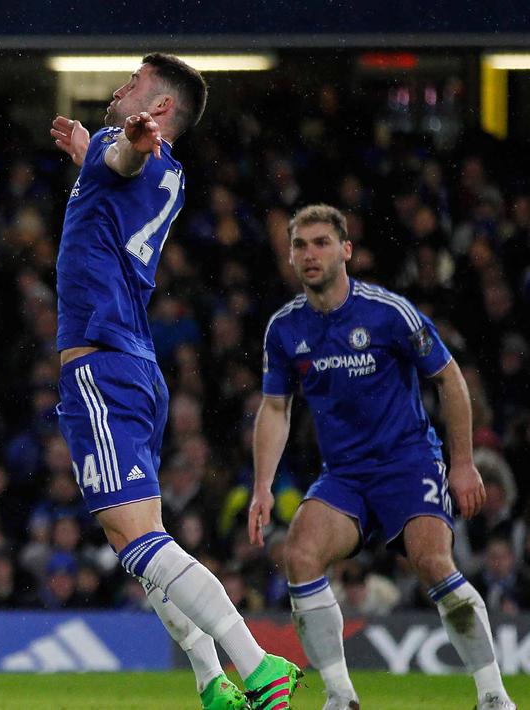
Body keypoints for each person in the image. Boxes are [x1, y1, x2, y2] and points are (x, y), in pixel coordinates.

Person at [50, 53, 298, 710]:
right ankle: (208, 679)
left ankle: (254, 664)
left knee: (136, 538)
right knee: (130, 536)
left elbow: (120, 160)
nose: (119, 89)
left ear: (156, 109)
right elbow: (118, 175)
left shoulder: (125, 145)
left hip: (101, 365)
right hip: (129, 365)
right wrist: (92, 153)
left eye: (133, 84)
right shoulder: (171, 173)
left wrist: (111, 147)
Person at [248, 203, 516, 710]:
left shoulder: (388, 312)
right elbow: (276, 407)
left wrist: (462, 462)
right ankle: (341, 697)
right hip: (345, 476)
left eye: (322, 242)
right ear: (289, 255)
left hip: (408, 462)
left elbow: (449, 377)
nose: (310, 254)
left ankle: (493, 695)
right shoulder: (284, 329)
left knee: (434, 563)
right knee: (299, 556)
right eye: (300, 245)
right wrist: (263, 485)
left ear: (346, 250)